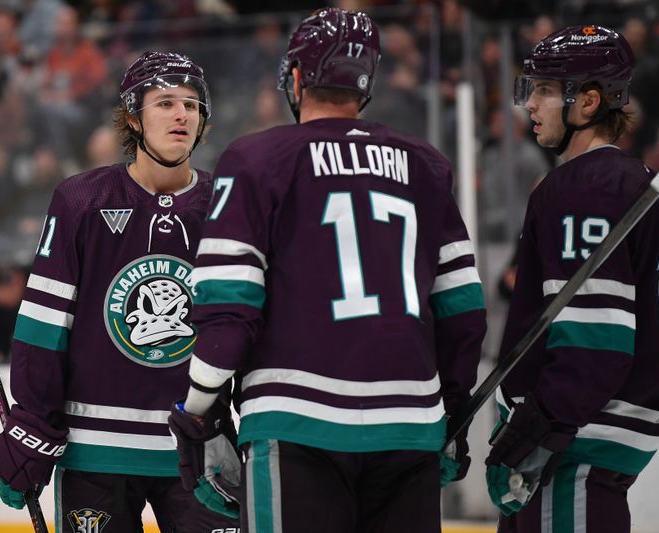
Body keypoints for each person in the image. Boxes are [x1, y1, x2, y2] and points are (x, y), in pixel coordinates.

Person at [168, 8, 486, 533]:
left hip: (298, 426)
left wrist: (198, 409)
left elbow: (229, 306)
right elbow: (464, 309)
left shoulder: (258, 159)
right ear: (365, 83)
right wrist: (452, 413)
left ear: (295, 78)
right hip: (410, 427)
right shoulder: (425, 165)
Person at [0, 50, 240, 533]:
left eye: (192, 103)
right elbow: (44, 325)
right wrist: (34, 428)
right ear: (132, 114)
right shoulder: (81, 201)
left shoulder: (228, 204)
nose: (182, 113)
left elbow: (246, 322)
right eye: (165, 102)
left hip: (200, 453)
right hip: (96, 453)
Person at [484, 26, 659, 533]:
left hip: (573, 438)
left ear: (588, 101)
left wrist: (539, 427)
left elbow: (595, 337)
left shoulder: (585, 186)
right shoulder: (625, 181)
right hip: (584, 435)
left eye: (546, 91)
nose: (531, 104)